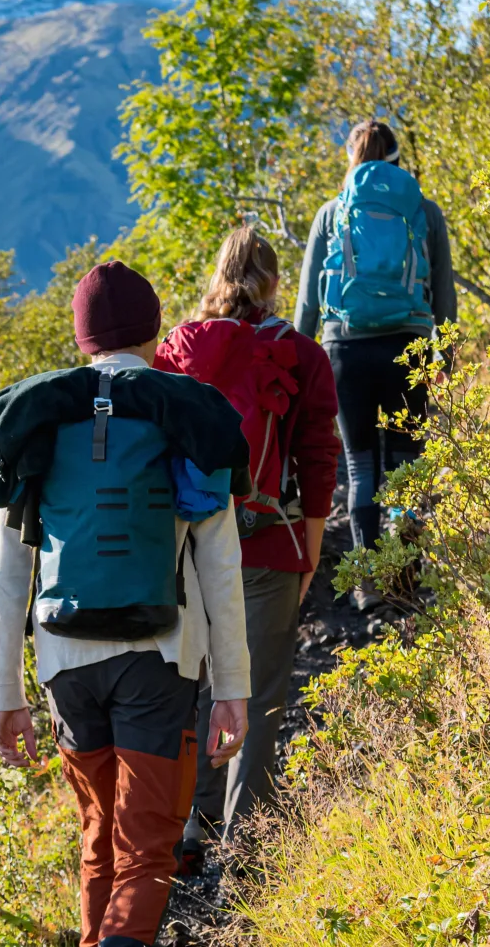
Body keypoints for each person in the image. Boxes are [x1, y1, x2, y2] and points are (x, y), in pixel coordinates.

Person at [0, 261, 252, 947]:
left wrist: (4, 696)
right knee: (148, 848)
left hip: (63, 659)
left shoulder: (39, 422)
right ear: (155, 329)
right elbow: (220, 564)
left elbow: (5, 574)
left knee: (100, 840)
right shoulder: (182, 412)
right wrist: (232, 689)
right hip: (159, 655)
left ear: (82, 338)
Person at [157, 225, 340, 865]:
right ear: (272, 282)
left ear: (217, 278)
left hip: (189, 546)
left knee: (198, 682)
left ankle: (188, 827)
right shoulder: (303, 355)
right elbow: (320, 459)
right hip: (269, 540)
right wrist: (309, 548)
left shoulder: (179, 346)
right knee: (258, 693)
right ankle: (247, 840)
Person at [293, 121, 455, 603]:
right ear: (396, 160)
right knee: (407, 468)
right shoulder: (425, 212)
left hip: (345, 350)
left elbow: (306, 302)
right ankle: (406, 579)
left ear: (351, 159)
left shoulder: (331, 213)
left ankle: (370, 583)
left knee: (361, 470)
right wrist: (444, 354)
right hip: (408, 347)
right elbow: (443, 291)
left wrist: (298, 364)